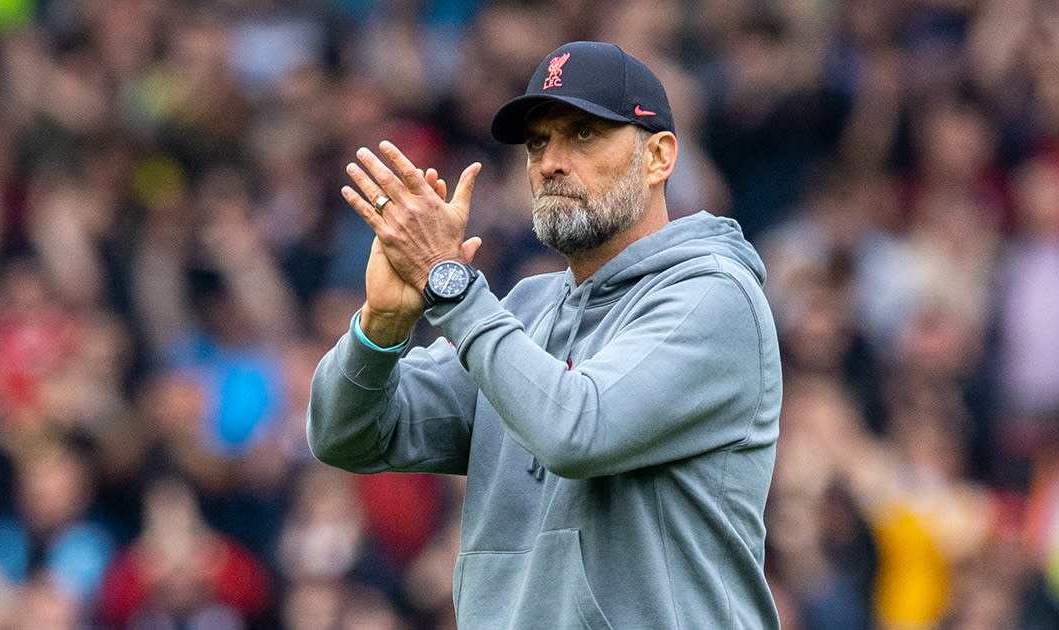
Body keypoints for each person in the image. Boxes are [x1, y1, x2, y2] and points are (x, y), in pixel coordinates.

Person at [308, 40, 782, 629]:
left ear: (659, 157)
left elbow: (578, 431)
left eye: (583, 135)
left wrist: (450, 285)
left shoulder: (713, 296)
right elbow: (344, 436)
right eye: (539, 142)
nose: (551, 162)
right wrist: (381, 325)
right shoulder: (526, 308)